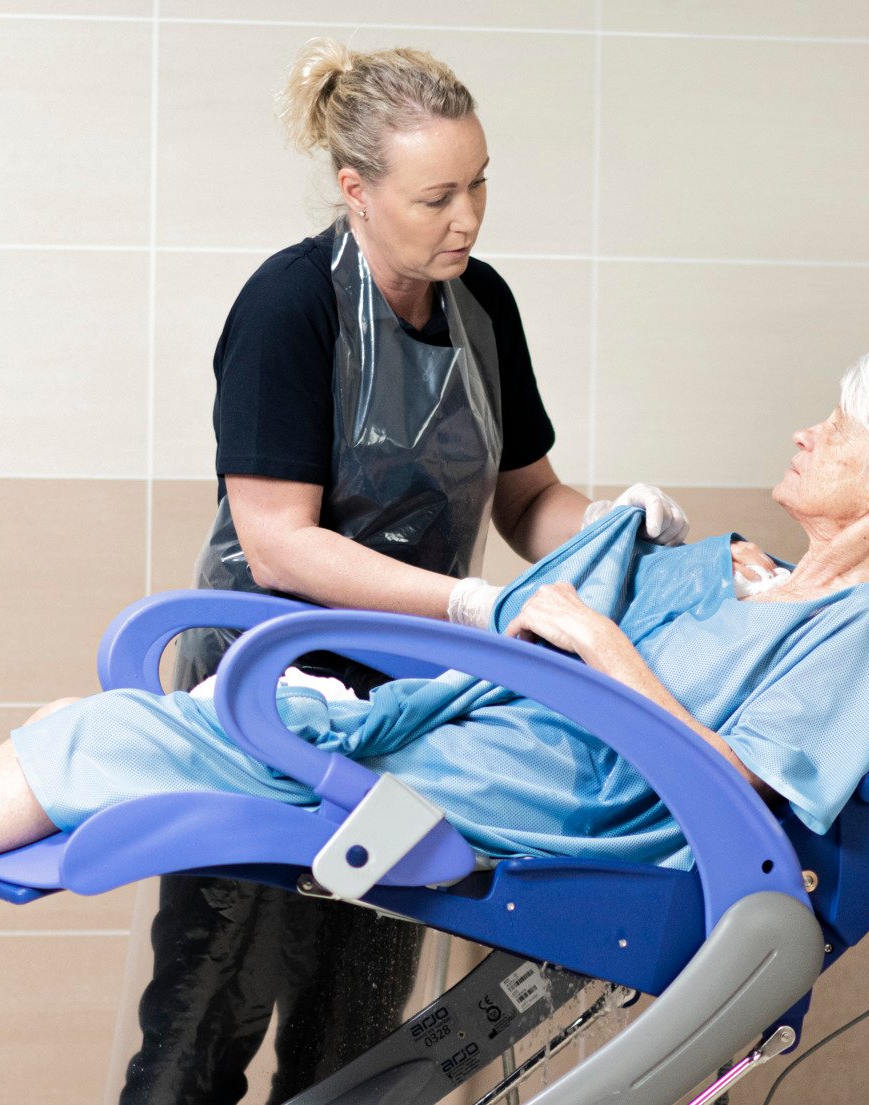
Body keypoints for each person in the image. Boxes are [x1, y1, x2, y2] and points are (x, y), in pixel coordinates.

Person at [0, 353, 869, 999]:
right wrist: (631, 567)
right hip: (480, 751)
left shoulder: (862, 636)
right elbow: (549, 614)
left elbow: (748, 803)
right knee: (91, 723)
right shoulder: (744, 573)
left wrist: (606, 642)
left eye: (833, 431)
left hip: (542, 810)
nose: (801, 432)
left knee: (105, 736)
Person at [153, 38, 690, 1103]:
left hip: (410, 714)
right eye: (436, 194)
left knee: (357, 1038)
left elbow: (527, 498)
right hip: (266, 700)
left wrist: (618, 523)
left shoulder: (481, 304)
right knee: (200, 1034)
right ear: (355, 189)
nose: (468, 216)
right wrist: (469, 602)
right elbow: (276, 541)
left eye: (480, 182)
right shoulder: (289, 307)